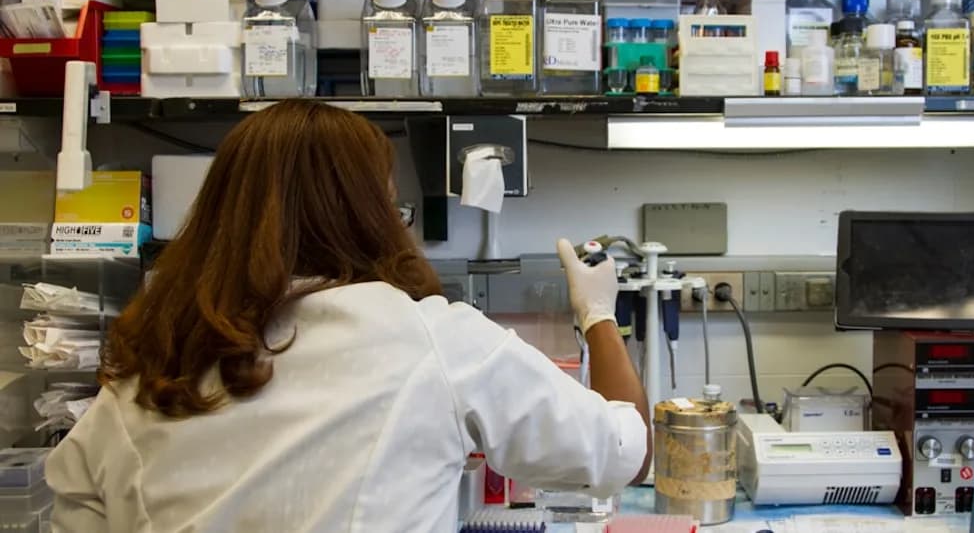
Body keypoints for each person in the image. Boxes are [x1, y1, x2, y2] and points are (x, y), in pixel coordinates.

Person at [46, 100, 650, 532]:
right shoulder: (432, 340)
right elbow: (626, 450)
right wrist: (599, 314)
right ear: (368, 214)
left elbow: (76, 505)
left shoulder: (148, 370)